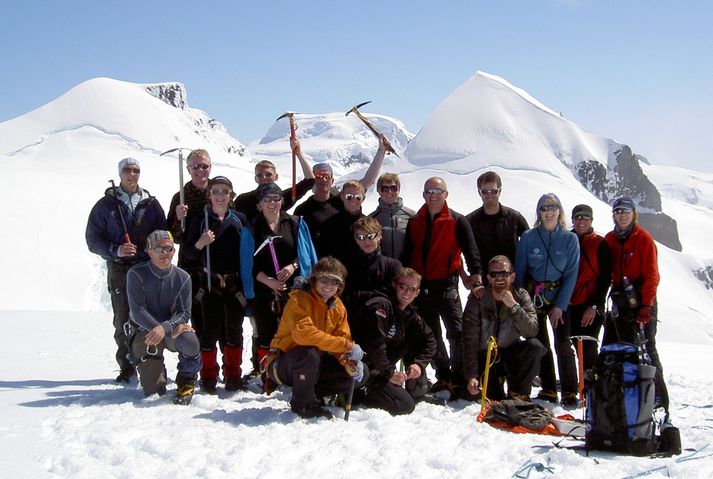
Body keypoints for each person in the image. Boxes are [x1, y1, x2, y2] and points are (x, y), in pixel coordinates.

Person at [85, 157, 166, 383]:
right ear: (120, 173)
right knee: (122, 318)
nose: (132, 175)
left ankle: (150, 364)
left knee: (149, 318)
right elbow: (92, 239)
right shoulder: (105, 206)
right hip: (120, 269)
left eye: (136, 170)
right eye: (128, 171)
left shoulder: (151, 204)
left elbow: (163, 234)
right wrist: (116, 249)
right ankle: (127, 366)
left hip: (146, 268)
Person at [403, 177, 483, 397]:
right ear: (423, 194)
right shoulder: (415, 221)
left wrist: (475, 279)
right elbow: (408, 254)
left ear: (446, 194)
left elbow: (471, 252)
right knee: (431, 334)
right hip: (421, 287)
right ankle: (443, 375)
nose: (433, 195)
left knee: (456, 332)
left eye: (438, 191)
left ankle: (459, 377)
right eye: (429, 191)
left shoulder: (458, 221)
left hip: (447, 284)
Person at [264, 257, 368, 419]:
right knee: (309, 352)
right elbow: (304, 335)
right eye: (324, 280)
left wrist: (348, 360)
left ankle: (310, 393)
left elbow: (341, 338)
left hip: (315, 362)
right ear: (314, 280)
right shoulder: (299, 299)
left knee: (360, 371)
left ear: (340, 286)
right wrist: (347, 346)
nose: (328, 286)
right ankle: (303, 405)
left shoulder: (338, 307)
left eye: (334, 282)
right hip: (284, 362)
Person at [240, 182, 318, 378]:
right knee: (265, 333)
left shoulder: (295, 223)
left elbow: (306, 255)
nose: (272, 203)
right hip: (263, 288)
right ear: (260, 203)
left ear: (282, 201)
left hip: (293, 288)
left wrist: (292, 267)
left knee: (292, 331)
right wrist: (268, 281)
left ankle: (289, 372)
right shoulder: (251, 229)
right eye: (267, 199)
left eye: (276, 198)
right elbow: (247, 263)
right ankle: (266, 374)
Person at [603, 197, 670, 414]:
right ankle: (631, 392)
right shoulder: (610, 239)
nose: (622, 215)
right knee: (626, 348)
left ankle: (658, 395)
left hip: (642, 300)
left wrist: (646, 307)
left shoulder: (643, 239)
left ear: (633, 214)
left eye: (626, 211)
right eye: (618, 211)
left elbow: (652, 276)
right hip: (621, 302)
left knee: (647, 348)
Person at [183, 176, 248, 394]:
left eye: (225, 191)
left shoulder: (239, 219)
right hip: (209, 283)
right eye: (215, 191)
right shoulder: (199, 220)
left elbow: (249, 251)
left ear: (231, 195)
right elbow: (189, 254)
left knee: (234, 330)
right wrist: (201, 243)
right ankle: (208, 376)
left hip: (233, 283)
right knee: (208, 331)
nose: (220, 195)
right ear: (209, 195)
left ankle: (233, 375)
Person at [514, 193, 580, 407]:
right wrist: (524, 302)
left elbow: (571, 274)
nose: (548, 211)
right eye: (544, 208)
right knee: (541, 344)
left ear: (559, 211)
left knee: (562, 343)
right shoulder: (528, 238)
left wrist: (560, 306)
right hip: (534, 298)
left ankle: (570, 390)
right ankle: (549, 388)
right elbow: (521, 271)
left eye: (552, 207)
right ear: (539, 212)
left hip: (560, 297)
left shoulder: (570, 239)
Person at [125, 230, 202, 405]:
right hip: (147, 334)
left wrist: (165, 328)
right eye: (159, 249)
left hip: (171, 331)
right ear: (149, 251)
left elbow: (184, 313)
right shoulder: (136, 274)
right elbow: (137, 311)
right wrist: (162, 329)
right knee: (153, 391)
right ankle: (157, 369)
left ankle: (186, 380)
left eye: (169, 249)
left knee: (190, 341)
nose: (164, 253)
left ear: (174, 251)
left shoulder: (183, 278)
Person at [463, 255, 545, 402]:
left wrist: (514, 306)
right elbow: (469, 341)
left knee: (535, 347)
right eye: (495, 274)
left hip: (509, 353)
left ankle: (519, 392)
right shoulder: (477, 299)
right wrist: (472, 376)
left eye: (504, 274)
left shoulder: (520, 295)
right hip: (486, 358)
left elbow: (531, 331)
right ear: (488, 277)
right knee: (495, 401)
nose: (500, 278)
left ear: (512, 276)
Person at [358, 268, 437, 415]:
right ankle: (364, 392)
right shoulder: (382, 305)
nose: (407, 293)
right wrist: (389, 374)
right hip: (365, 367)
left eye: (412, 289)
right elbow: (376, 345)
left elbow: (430, 340)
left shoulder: (409, 313)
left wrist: (419, 364)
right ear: (395, 285)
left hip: (382, 369)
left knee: (415, 338)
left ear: (417, 293)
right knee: (405, 406)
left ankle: (415, 388)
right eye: (403, 287)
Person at [295, 135, 390, 246]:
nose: (323, 180)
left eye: (326, 176)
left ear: (332, 180)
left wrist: (381, 151)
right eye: (318, 176)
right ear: (313, 179)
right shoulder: (302, 210)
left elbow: (367, 181)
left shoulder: (341, 201)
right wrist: (298, 153)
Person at [167, 149, 212, 343]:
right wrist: (178, 219)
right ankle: (197, 364)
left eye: (204, 166)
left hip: (216, 265)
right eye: (196, 166)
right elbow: (174, 237)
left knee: (219, 319)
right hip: (191, 266)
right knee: (196, 316)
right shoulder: (181, 197)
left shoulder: (220, 191)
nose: (200, 170)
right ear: (188, 168)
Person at [568, 204, 612, 371]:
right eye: (578, 217)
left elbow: (605, 279)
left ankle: (592, 389)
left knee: (587, 349)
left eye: (585, 217)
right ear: (572, 219)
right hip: (568, 304)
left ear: (591, 220)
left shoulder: (600, 243)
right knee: (571, 347)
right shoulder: (565, 240)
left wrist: (595, 306)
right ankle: (579, 387)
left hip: (590, 306)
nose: (581, 221)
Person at [233, 138, 315, 221]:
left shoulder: (283, 197)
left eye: (268, 174)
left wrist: (298, 153)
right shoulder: (243, 200)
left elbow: (310, 181)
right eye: (259, 175)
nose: (264, 178)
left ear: (276, 177)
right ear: (255, 179)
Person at [465, 171, 529, 270]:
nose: (489, 195)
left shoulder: (515, 217)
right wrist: (469, 278)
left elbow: (530, 245)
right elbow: (459, 251)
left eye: (494, 191)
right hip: (483, 281)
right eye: (485, 191)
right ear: (479, 192)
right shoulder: (469, 221)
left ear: (500, 191)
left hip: (512, 280)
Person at [368, 172, 415, 261]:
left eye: (393, 188)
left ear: (398, 190)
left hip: (406, 270)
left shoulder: (411, 216)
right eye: (385, 189)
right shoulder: (371, 219)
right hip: (381, 270)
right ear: (378, 191)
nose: (389, 192)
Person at [317, 180, 367, 263]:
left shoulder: (369, 224)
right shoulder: (329, 224)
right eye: (349, 197)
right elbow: (322, 254)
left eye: (358, 197)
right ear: (342, 196)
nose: (353, 200)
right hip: (336, 273)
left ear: (363, 199)